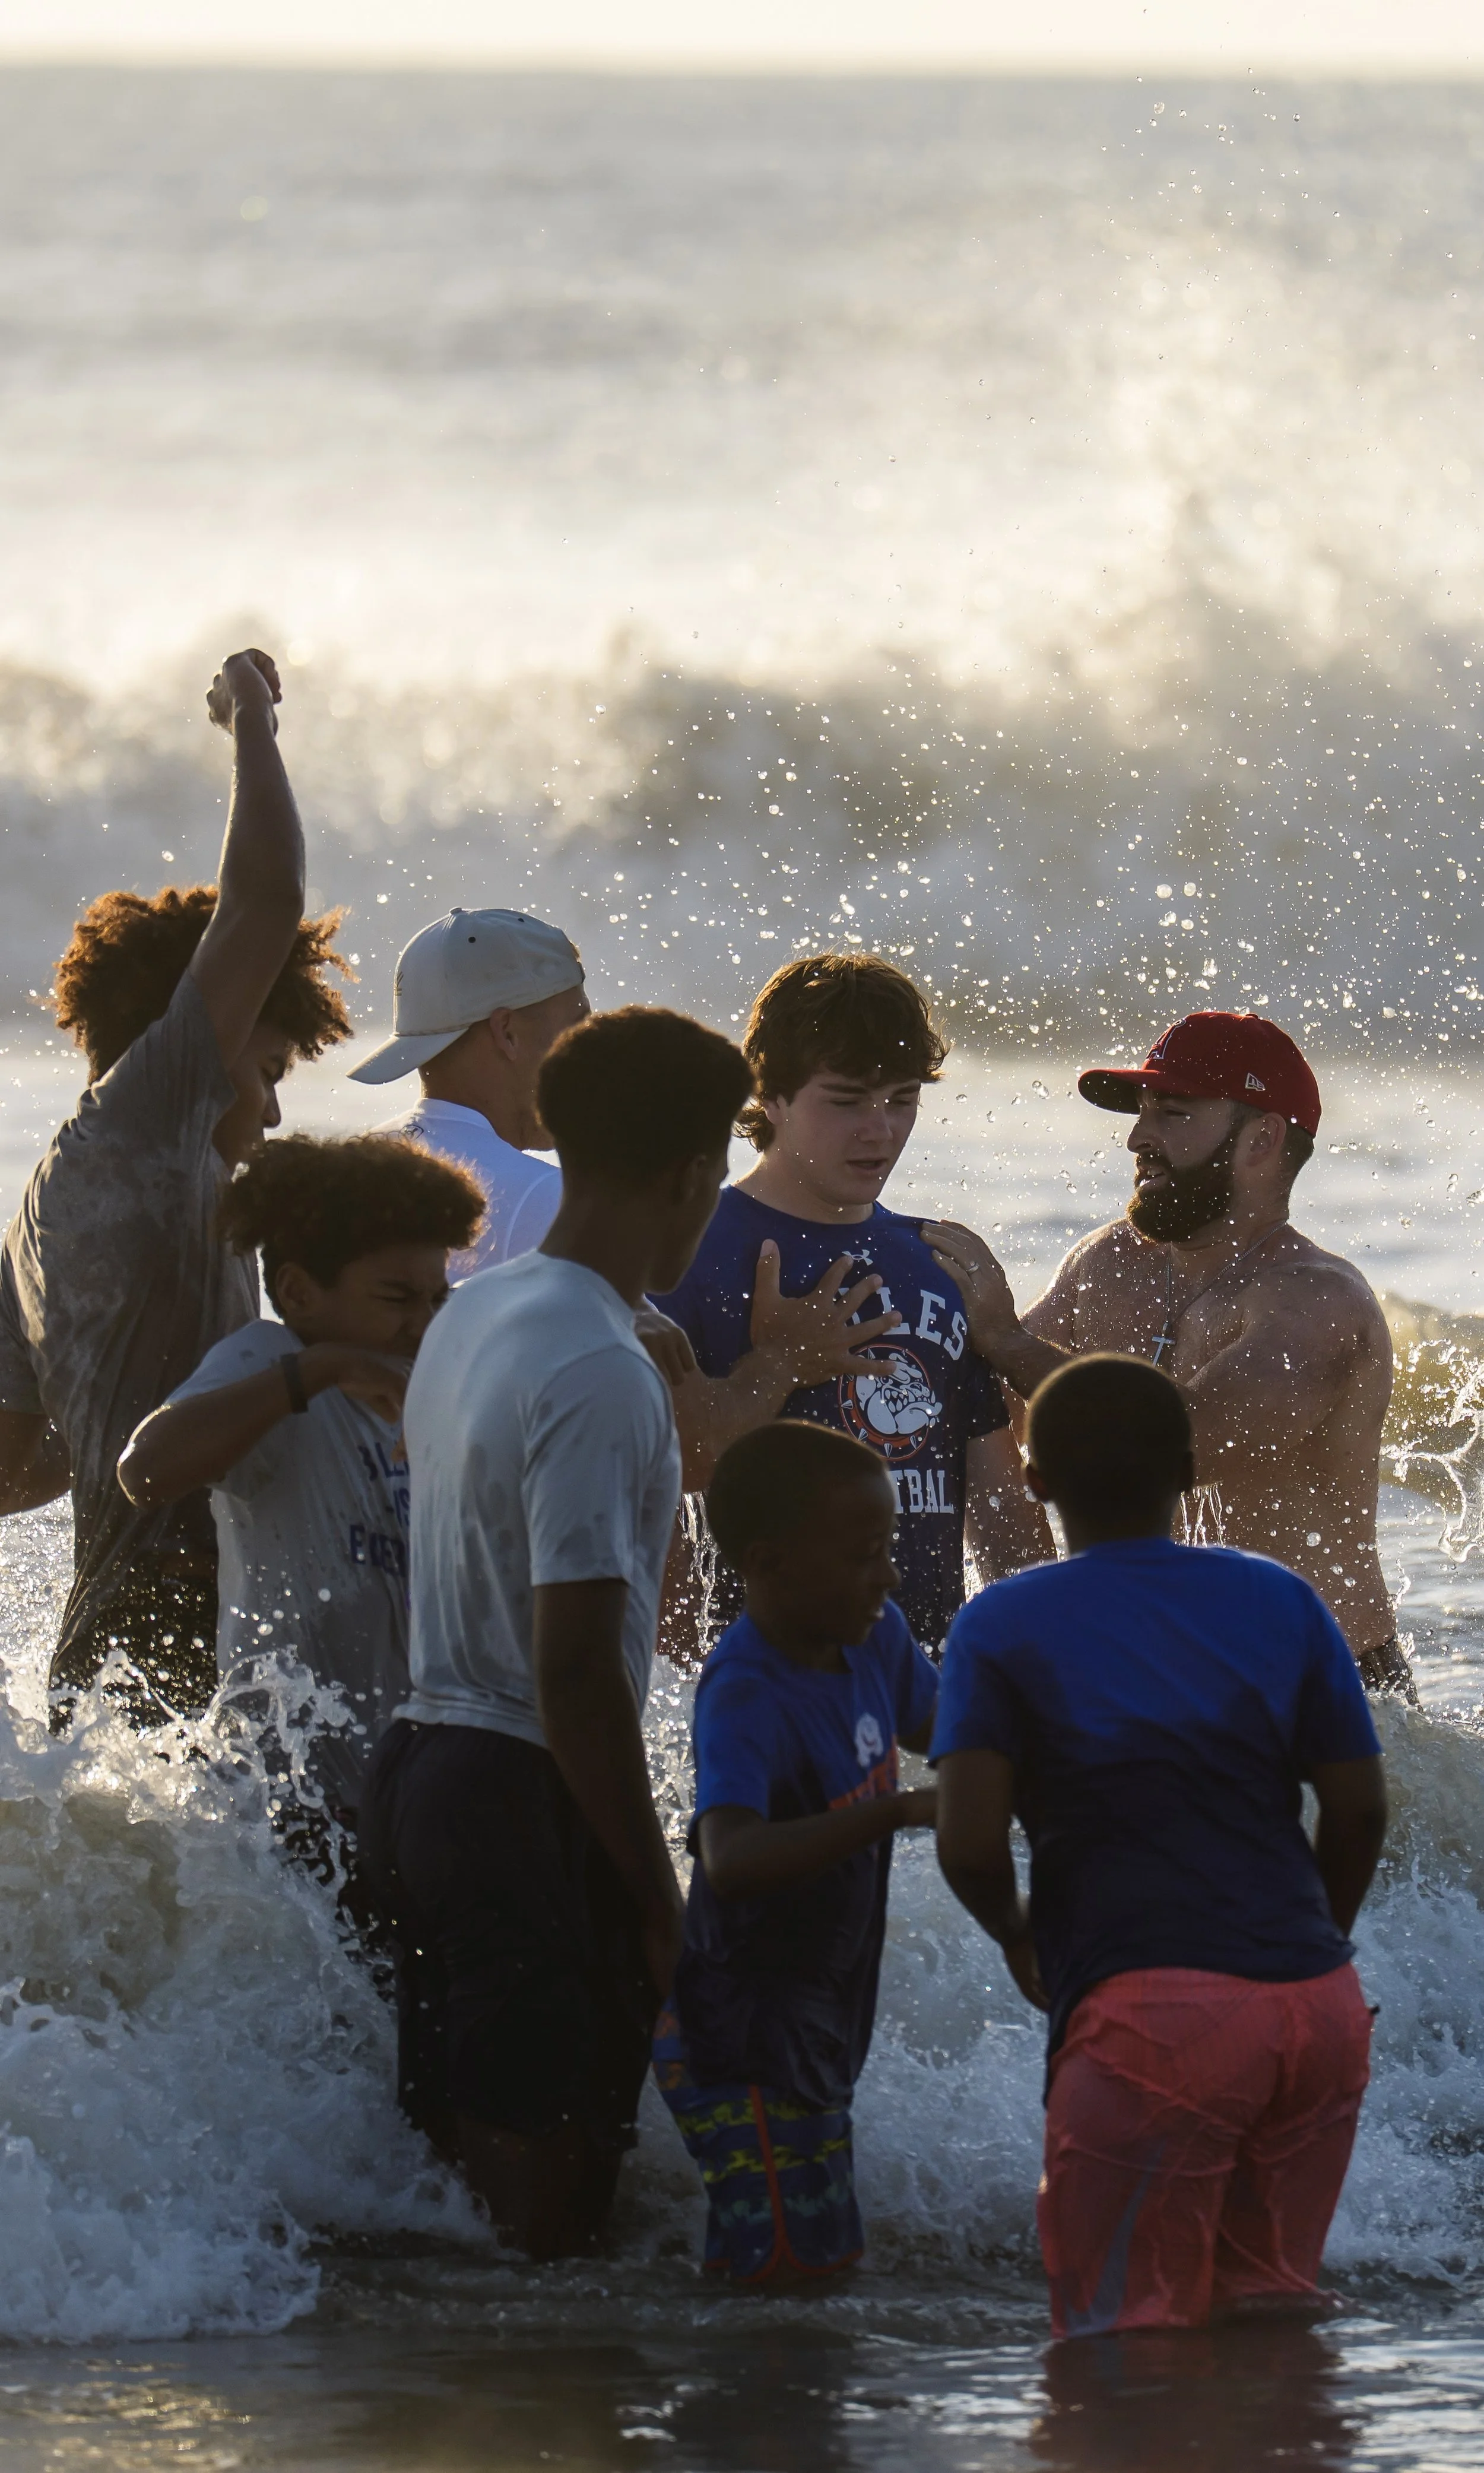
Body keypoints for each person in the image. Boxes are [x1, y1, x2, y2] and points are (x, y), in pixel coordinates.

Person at [359, 1007, 754, 2260]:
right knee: (546, 2220)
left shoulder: (479, 1307)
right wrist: (653, 1891)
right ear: (696, 1173)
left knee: (468, 2200)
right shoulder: (600, 1365)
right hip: (518, 1786)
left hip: (422, 1766)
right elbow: (576, 1668)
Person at [933, 1352, 1388, 2339]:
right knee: (1272, 2318)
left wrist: (1021, 1941)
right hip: (1317, 2014)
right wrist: (1312, 1947)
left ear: (1034, 1481)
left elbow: (968, 1843)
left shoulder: (1002, 1623)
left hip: (1151, 2020)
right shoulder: (1282, 1598)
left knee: (1122, 2344)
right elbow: (1356, 1811)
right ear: (1190, 1471)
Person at [0, 649, 351, 1720]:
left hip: (110, 1640)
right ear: (215, 1036)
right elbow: (269, 898)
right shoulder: (152, 1113)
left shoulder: (44, 1211)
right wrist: (251, 715)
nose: (279, 1111)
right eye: (273, 1069)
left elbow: (19, 1466)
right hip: (185, 1621)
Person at [924, 1010, 1406, 1692]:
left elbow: (1181, 1445)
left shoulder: (1315, 1302)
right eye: (1142, 1113)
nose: (1137, 1138)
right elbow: (989, 1413)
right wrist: (1030, 1605)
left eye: (1172, 1115)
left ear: (1261, 1139)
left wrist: (1008, 1340)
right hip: (1143, 1674)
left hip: (1319, 1689)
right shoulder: (1110, 1262)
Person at [655, 952, 1051, 1659]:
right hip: (760, 1676)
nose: (881, 1130)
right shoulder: (685, 1253)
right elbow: (653, 1485)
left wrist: (1040, 1666)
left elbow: (995, 1502)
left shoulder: (941, 1262)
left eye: (901, 1099)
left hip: (921, 1677)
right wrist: (681, 1682)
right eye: (845, 1100)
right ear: (768, 1095)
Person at [115, 1134, 484, 1837]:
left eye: (437, 1295)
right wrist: (319, 1372)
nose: (424, 1320)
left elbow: (529, 1300)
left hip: (413, 1785)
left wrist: (633, 1318)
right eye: (397, 1297)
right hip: (284, 1799)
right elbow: (144, 1469)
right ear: (296, 1290)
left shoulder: (437, 1351)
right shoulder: (268, 1358)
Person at [654, 1419, 939, 2284]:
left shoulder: (875, 1637)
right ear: (770, 1564)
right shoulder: (747, 1690)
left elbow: (964, 1728)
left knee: (814, 2265)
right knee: (779, 2285)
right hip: (737, 2032)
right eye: (864, 1553)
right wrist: (896, 1812)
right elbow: (732, 1857)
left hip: (815, 2020)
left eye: (888, 1547)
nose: (888, 1575)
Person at [350, 906, 588, 1276]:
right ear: (507, 1033)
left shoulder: (349, 1170)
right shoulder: (544, 1199)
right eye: (577, 1030)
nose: (587, 1054)